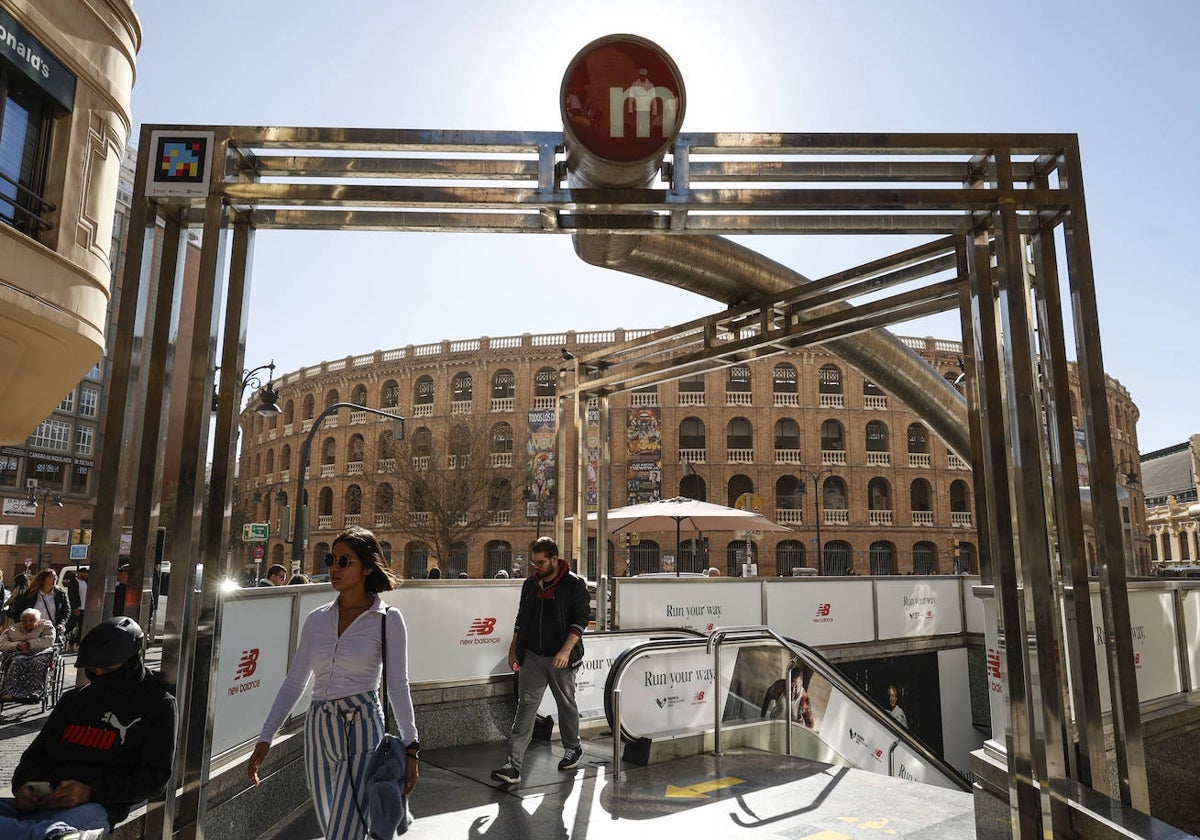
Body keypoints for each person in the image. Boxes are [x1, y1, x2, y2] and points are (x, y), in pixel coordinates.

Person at [249, 527, 419, 840]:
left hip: (362, 725)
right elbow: (295, 680)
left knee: (344, 831)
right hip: (318, 729)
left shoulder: (388, 619)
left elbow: (398, 685)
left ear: (367, 568)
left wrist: (411, 747)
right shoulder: (316, 619)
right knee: (334, 826)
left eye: (345, 561)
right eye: (332, 559)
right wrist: (266, 737)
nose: (334, 568)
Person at [0, 616, 176, 839]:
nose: (99, 674)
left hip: (95, 806)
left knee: (39, 834)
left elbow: (155, 779)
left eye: (108, 668)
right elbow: (34, 756)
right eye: (94, 668)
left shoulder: (158, 704)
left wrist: (91, 792)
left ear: (131, 660)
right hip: (42, 801)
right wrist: (25, 788)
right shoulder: (74, 700)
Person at [491, 537, 589, 785]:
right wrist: (514, 649)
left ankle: (572, 747)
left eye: (541, 562)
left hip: (561, 657)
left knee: (565, 704)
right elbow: (521, 619)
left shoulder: (573, 584)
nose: (536, 566)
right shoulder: (530, 585)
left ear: (555, 559)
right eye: (534, 562)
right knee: (526, 706)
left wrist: (565, 651)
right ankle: (513, 765)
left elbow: (580, 621)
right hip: (533, 655)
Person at [0, 608, 56, 701]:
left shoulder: (46, 625)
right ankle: (10, 691)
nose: (28, 623)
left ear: (37, 620)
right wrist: (17, 645)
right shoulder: (13, 628)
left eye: (31, 620)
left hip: (40, 652)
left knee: (36, 662)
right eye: (25, 621)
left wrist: (30, 644)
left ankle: (35, 691)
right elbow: (2, 644)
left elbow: (49, 640)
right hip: (18, 652)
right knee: (16, 661)